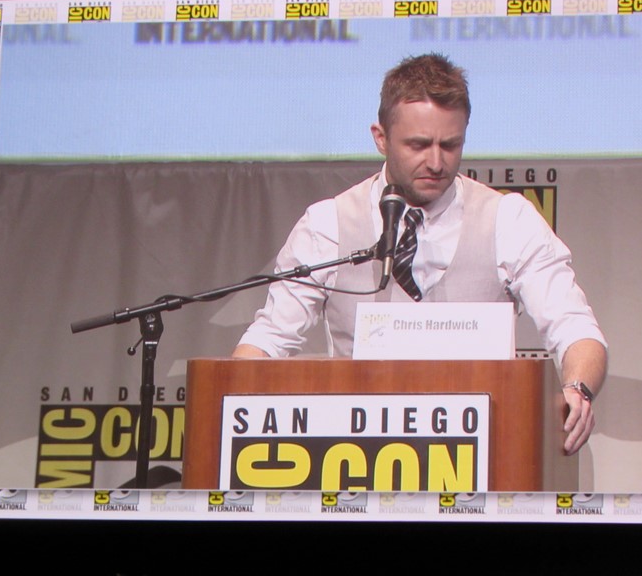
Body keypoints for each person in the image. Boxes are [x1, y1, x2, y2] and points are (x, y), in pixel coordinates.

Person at [234, 53, 607, 455]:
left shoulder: (509, 219)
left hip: (482, 452)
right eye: (418, 145)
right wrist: (229, 397)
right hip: (356, 455)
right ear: (380, 137)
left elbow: (576, 329)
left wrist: (577, 388)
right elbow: (269, 339)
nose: (436, 162)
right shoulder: (328, 224)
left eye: (450, 145)